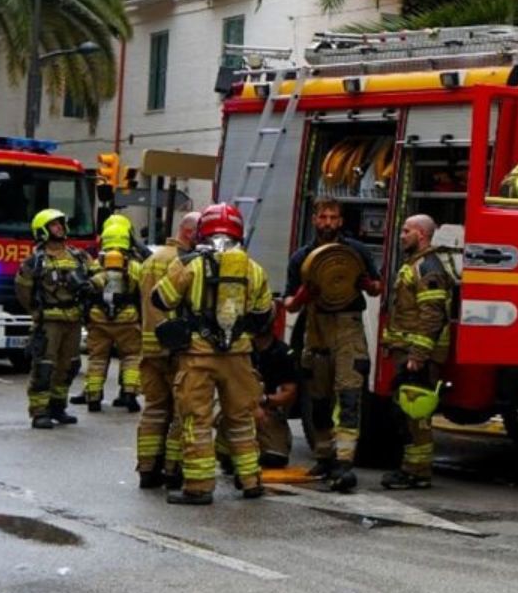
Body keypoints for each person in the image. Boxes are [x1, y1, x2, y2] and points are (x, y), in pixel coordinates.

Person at [151, 203, 273, 506]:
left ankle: (199, 487)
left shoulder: (190, 264)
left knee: (197, 421)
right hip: (239, 358)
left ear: (204, 230)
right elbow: (263, 315)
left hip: (198, 356)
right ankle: (251, 481)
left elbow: (161, 299)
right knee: (242, 419)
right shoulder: (254, 269)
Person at [285, 197, 379, 493]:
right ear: (314, 219)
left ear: (341, 221)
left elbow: (377, 289)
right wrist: (304, 294)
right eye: (323, 217)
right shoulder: (302, 257)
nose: (328, 222)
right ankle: (324, 457)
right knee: (319, 400)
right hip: (316, 328)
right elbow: (288, 305)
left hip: (349, 328)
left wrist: (364, 282)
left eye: (333, 217)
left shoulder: (357, 252)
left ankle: (344, 462)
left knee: (349, 396)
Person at [379, 214, 456, 490]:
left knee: (417, 416)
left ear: (422, 235)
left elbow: (433, 316)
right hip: (409, 352)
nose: (401, 236)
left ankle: (417, 471)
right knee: (408, 414)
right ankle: (411, 468)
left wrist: (417, 356)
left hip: (420, 357)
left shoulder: (428, 269)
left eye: (406, 231)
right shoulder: (415, 265)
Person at [137, 211, 199, 489]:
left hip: (150, 348)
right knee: (180, 411)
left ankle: (148, 469)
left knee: (153, 409)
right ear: (189, 233)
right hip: (175, 348)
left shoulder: (151, 259)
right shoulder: (184, 263)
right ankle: (174, 470)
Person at [16, 209, 93, 429]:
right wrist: (37, 311)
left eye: (61, 223)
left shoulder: (78, 256)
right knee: (44, 366)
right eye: (54, 225)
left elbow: (99, 273)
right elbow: (23, 290)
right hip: (49, 321)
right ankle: (40, 411)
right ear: (43, 230)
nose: (59, 227)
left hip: (74, 319)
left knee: (69, 365)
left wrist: (92, 284)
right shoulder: (36, 261)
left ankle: (58, 406)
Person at [80, 214, 144, 413]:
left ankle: (93, 398)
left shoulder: (96, 265)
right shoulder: (135, 266)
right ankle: (129, 395)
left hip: (99, 319)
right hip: (128, 319)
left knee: (97, 359)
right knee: (132, 357)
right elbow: (141, 291)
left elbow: (87, 290)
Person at [218, 330, 299, 471]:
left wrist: (264, 401)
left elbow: (290, 393)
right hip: (240, 407)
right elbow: (227, 386)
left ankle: (264, 446)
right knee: (229, 460)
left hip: (268, 410)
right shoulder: (240, 350)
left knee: (275, 459)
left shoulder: (283, 353)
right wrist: (249, 404)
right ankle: (228, 449)